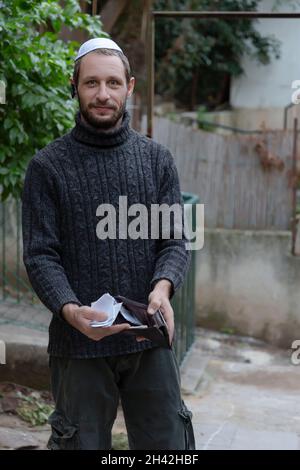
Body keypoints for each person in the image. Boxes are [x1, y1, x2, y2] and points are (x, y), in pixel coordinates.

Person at [22, 37, 195, 450]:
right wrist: (69, 309)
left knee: (167, 448)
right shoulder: (47, 167)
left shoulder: (157, 160)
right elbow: (40, 254)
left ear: (130, 87)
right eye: (92, 83)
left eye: (113, 83)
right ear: (74, 86)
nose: (103, 94)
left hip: (147, 336)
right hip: (78, 342)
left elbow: (174, 240)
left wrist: (163, 287)